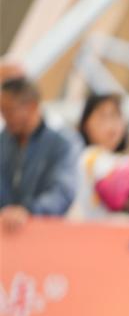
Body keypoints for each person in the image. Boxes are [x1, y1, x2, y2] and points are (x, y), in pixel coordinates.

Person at [0, 77, 76, 230]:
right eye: (2, 110)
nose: (5, 117)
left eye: (10, 110)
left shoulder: (62, 144)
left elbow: (62, 193)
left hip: (44, 235)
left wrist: (27, 211)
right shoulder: (3, 141)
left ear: (33, 106)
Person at [72, 92, 129, 218]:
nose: (111, 124)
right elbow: (116, 198)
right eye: (103, 116)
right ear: (86, 124)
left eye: (116, 116)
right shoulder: (89, 157)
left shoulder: (123, 159)